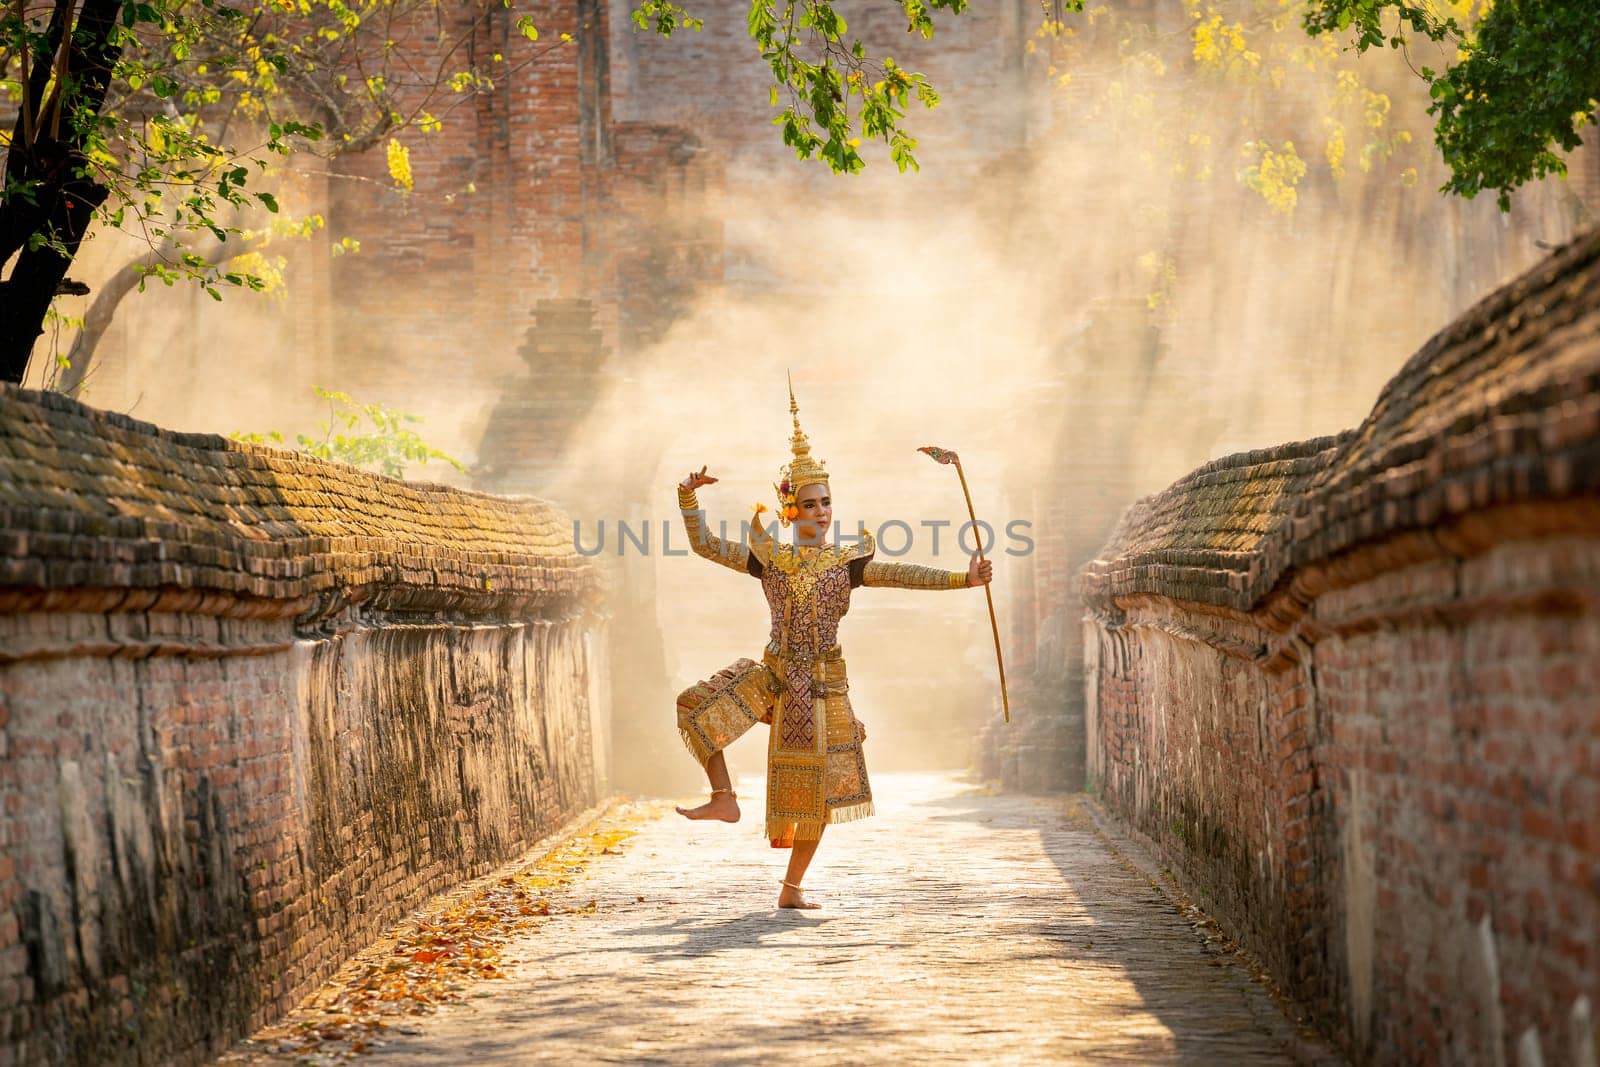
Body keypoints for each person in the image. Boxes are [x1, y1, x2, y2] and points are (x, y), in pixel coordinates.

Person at [672, 381, 993, 909]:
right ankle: (724, 799)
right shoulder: (768, 557)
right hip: (775, 674)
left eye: (826, 502)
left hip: (822, 686)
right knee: (692, 708)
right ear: (790, 509)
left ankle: (791, 889)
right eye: (810, 503)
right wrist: (687, 498)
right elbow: (704, 545)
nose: (821, 512)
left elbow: (903, 573)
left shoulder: (848, 561)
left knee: (816, 792)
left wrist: (964, 578)